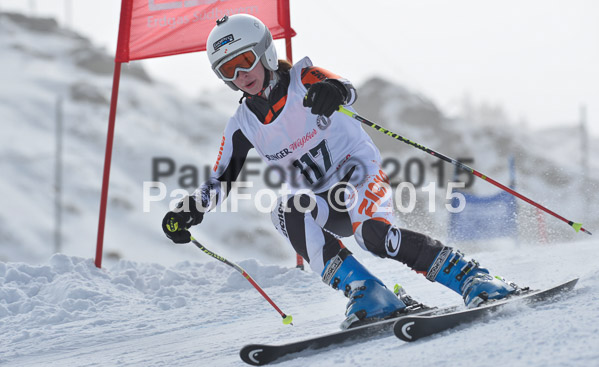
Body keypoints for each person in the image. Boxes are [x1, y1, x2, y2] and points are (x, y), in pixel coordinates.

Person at [162, 14, 520, 328]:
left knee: (374, 238)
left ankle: (473, 277)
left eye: (245, 61)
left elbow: (344, 88)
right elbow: (221, 179)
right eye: (228, 70)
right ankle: (370, 294)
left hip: (359, 176)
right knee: (285, 211)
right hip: (322, 200)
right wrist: (191, 208)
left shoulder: (304, 77)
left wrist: (330, 91)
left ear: (266, 53)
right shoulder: (242, 124)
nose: (241, 75)